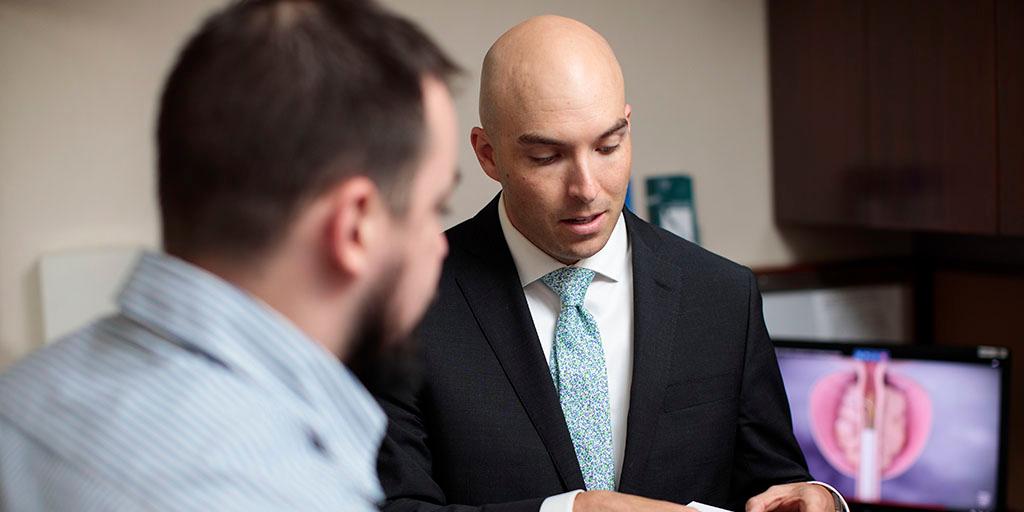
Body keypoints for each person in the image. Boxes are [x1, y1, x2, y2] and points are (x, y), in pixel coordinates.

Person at [0, 0, 458, 510]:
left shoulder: (18, 403)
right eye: (435, 208)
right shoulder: (287, 496)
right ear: (355, 227)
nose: (439, 243)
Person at [377, 15, 847, 512]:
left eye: (607, 146)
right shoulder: (400, 304)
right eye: (547, 157)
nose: (586, 188)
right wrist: (571, 511)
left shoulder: (723, 296)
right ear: (488, 155)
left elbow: (776, 484)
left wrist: (822, 499)